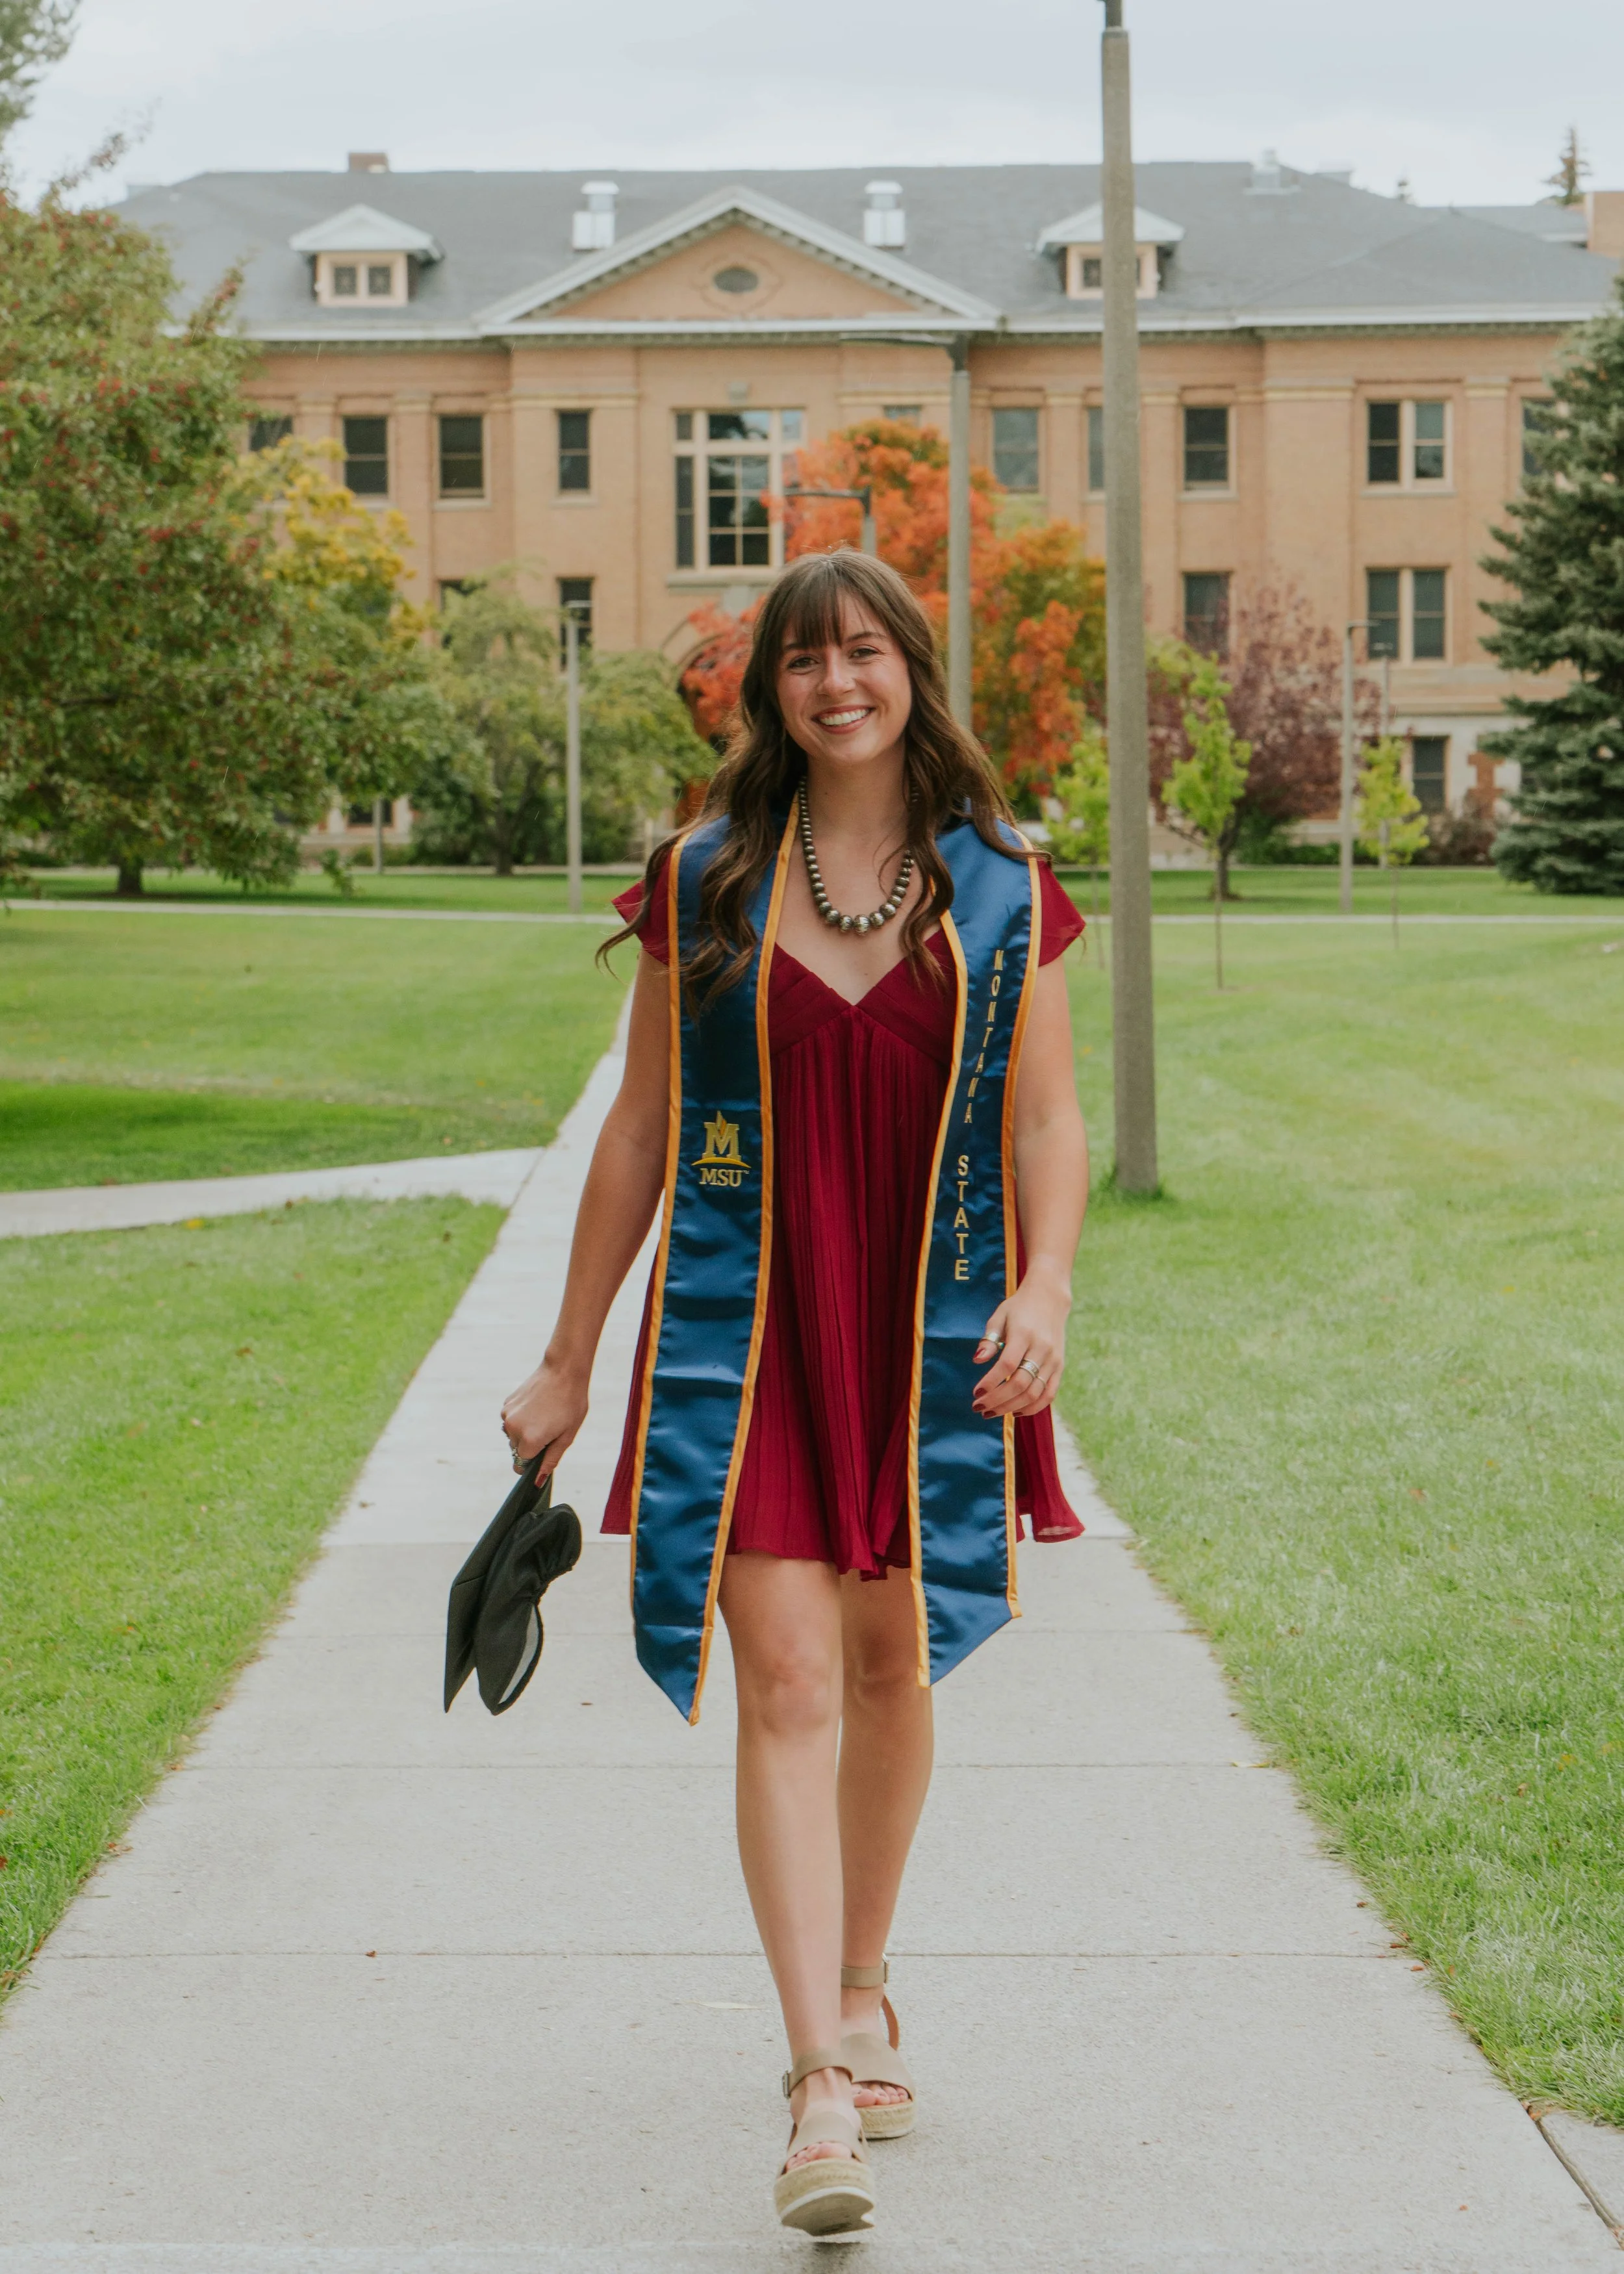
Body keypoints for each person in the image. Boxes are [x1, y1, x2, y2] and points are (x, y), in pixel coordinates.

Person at [501, 550, 1089, 2238]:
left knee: (895, 1654)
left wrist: (1046, 1282)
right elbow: (635, 1127)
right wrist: (567, 1355)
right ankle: (815, 2075)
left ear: (912, 668)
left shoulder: (996, 888)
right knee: (781, 1679)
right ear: (768, 691)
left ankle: (862, 1972)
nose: (838, 683)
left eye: (864, 653)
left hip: (926, 1325)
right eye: (804, 661)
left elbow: (1046, 1122)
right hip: (743, 1333)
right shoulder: (703, 880)